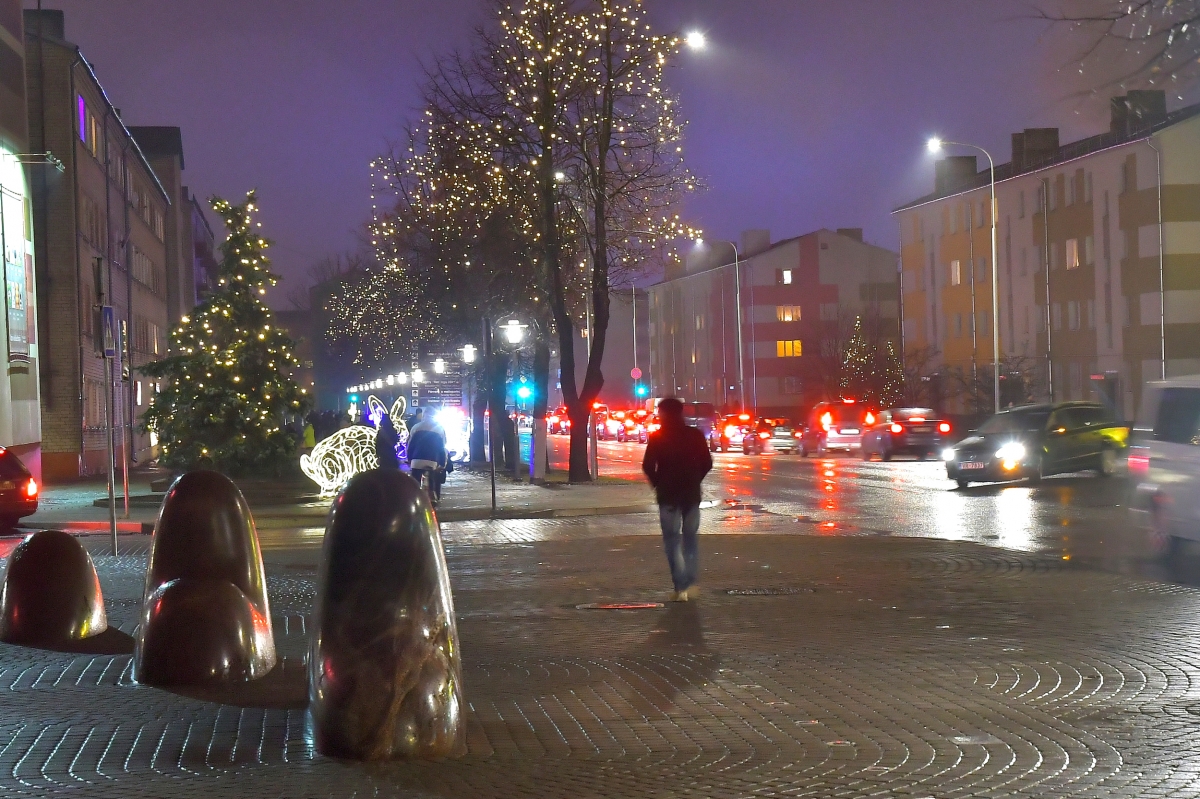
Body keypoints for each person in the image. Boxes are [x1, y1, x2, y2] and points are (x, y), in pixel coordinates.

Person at [642, 398, 713, 602]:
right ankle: (690, 582)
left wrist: (658, 483)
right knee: (690, 539)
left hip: (668, 495)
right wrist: (695, 479)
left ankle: (680, 586)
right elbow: (707, 462)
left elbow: (648, 465)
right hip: (691, 495)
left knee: (672, 540)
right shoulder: (694, 435)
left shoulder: (658, 437)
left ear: (664, 414)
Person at [408, 422, 451, 503]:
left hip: (417, 459)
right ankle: (433, 495)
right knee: (433, 477)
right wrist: (442, 463)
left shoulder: (416, 427)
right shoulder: (439, 429)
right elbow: (442, 448)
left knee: (415, 481)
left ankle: (415, 498)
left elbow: (410, 445)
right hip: (432, 459)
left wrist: (409, 458)